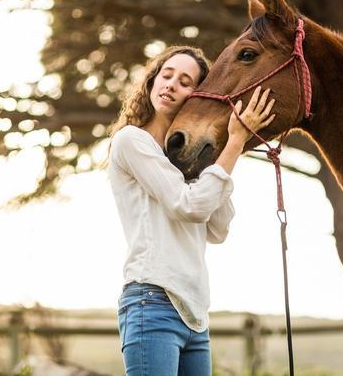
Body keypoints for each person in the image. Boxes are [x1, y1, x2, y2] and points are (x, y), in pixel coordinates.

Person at [105, 45, 275, 375]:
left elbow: (218, 229)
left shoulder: (186, 159)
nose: (171, 84)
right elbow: (190, 207)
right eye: (166, 75)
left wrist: (215, 154)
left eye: (184, 82)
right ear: (152, 81)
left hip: (195, 314)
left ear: (196, 95)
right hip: (151, 303)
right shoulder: (131, 140)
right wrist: (235, 144)